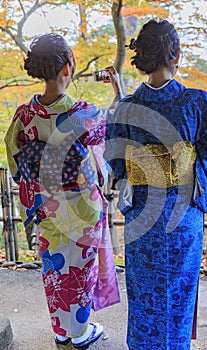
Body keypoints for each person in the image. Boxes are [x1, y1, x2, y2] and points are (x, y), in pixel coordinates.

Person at [104, 18, 207, 350]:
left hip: (142, 216)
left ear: (142, 58)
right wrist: (190, 171)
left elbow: (116, 160)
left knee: (145, 291)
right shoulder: (196, 102)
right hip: (182, 215)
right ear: (176, 54)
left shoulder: (128, 107)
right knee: (178, 289)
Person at [4, 33, 122, 349]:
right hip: (82, 205)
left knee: (54, 266)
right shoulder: (84, 114)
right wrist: (118, 93)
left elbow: (13, 154)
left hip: (46, 205)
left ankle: (60, 329)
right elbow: (111, 131)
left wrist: (31, 181)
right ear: (67, 68)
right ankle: (80, 333)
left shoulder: (24, 115)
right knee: (81, 267)